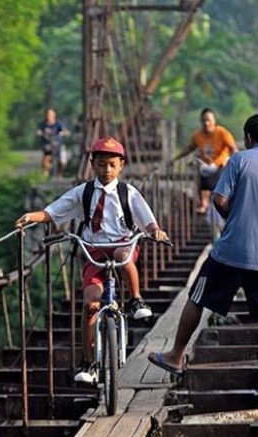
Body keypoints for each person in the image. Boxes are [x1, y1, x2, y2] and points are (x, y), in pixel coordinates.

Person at [149, 114, 258, 394]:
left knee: (197, 296)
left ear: (249, 138)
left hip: (229, 252)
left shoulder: (239, 160)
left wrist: (234, 217)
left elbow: (218, 198)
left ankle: (176, 356)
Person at [16, 137, 169, 384]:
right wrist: (32, 216)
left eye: (111, 165)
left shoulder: (127, 193)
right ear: (92, 164)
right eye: (100, 164)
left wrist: (156, 231)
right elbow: (55, 211)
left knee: (123, 255)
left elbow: (147, 219)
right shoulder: (84, 193)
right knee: (90, 304)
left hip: (121, 245)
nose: (106, 170)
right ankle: (89, 362)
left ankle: (135, 300)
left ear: (121, 166)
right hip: (93, 251)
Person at [171, 108, 238, 215]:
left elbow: (233, 148)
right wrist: (175, 159)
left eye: (209, 120)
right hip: (205, 166)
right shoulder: (198, 135)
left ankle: (224, 203)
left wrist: (236, 163)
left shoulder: (222, 133)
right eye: (204, 121)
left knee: (216, 180)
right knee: (199, 169)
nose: (206, 123)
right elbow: (189, 148)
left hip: (220, 166)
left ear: (214, 121)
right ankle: (204, 203)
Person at [36, 108, 70, 177]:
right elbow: (38, 131)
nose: (49, 116)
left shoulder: (59, 124)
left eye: (51, 114)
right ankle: (44, 177)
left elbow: (67, 132)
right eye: (48, 114)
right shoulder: (43, 124)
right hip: (47, 144)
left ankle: (60, 174)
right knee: (46, 160)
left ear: (54, 115)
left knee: (63, 161)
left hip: (58, 144)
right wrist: (39, 133)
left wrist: (63, 133)